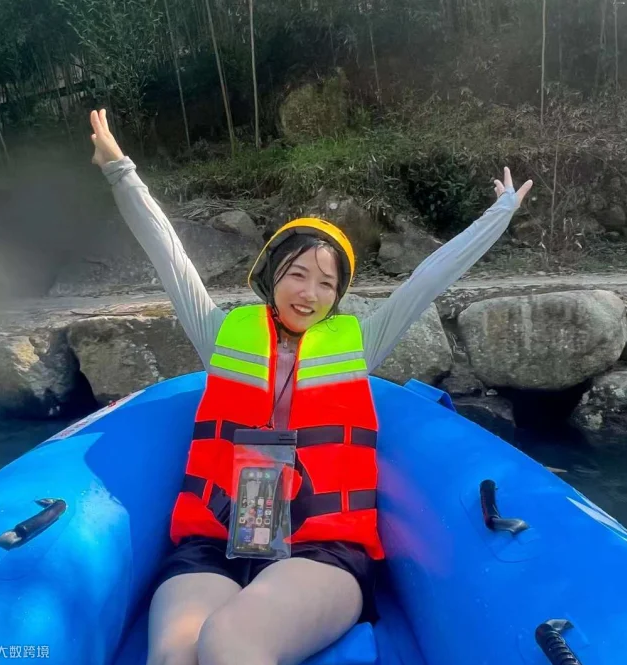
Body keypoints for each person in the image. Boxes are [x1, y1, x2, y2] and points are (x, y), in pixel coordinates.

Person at [89, 109, 532, 665]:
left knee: (231, 640)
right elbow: (170, 258)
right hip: (215, 544)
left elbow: (427, 279)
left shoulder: (360, 345)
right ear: (271, 275)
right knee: (174, 654)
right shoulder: (221, 334)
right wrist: (120, 171)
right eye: (298, 274)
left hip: (323, 550)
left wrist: (498, 213)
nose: (309, 293)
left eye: (326, 282)